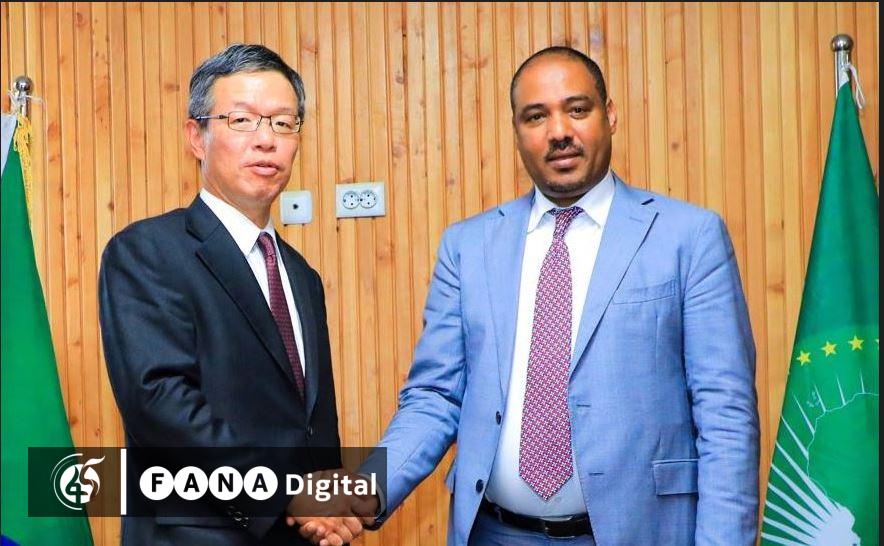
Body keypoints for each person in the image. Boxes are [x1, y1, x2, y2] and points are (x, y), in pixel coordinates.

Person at [361, 46, 760, 545]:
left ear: (609, 115)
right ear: (517, 131)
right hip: (495, 534)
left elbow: (725, 415)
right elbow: (433, 397)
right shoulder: (467, 246)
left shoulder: (688, 237)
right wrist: (350, 497)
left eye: (577, 109)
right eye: (536, 116)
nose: (559, 131)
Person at [99, 44, 360, 546]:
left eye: (283, 123)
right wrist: (287, 494)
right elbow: (161, 404)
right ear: (196, 137)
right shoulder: (146, 251)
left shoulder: (302, 276)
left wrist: (329, 508)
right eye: (241, 120)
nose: (266, 140)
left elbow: (312, 425)